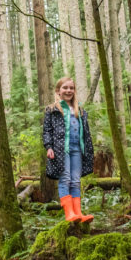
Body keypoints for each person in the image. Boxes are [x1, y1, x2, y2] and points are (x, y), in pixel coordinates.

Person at [43, 77, 94, 222]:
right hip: (61, 149)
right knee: (65, 178)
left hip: (77, 148)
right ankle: (69, 214)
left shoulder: (80, 109)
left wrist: (88, 151)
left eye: (71, 88)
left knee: (76, 180)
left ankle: (78, 213)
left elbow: (86, 132)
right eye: (65, 88)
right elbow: (47, 130)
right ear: (58, 91)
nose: (68, 90)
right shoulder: (52, 110)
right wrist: (49, 147)